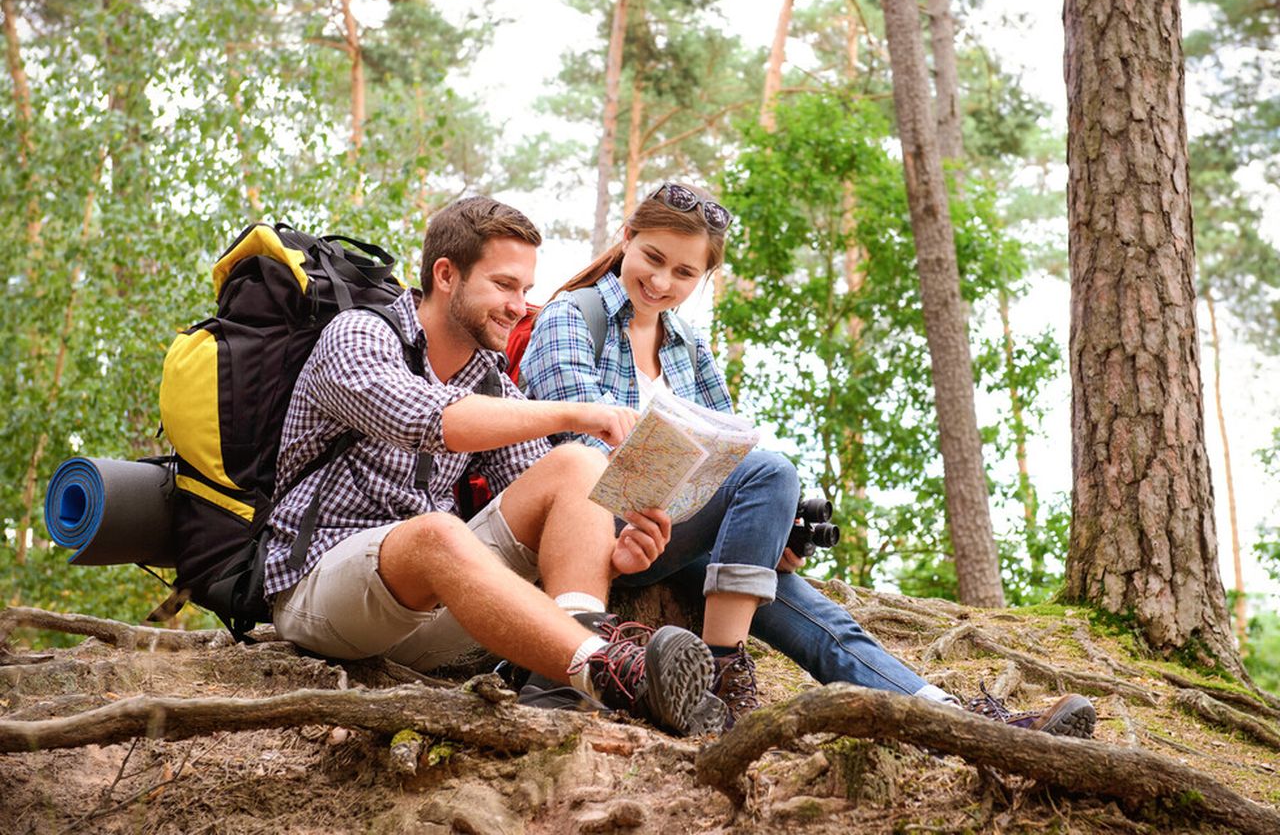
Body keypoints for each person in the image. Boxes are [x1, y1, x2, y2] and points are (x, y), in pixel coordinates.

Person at [521, 181, 1097, 738]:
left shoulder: (690, 347)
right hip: (599, 539)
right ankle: (723, 673)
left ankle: (951, 715)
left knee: (814, 609)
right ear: (627, 236)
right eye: (652, 257)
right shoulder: (572, 318)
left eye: (685, 272)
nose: (662, 280)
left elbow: (727, 450)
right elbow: (580, 457)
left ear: (705, 277)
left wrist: (771, 530)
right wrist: (745, 500)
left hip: (677, 535)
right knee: (772, 471)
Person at [263, 195, 725, 737]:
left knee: (577, 464)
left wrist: (614, 556)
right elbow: (426, 419)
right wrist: (575, 410)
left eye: (526, 290)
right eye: (505, 286)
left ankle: (562, 686)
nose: (519, 306)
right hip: (321, 597)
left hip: (432, 610)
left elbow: (553, 503)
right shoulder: (359, 336)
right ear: (446, 275)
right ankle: (610, 672)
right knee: (435, 533)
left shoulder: (487, 377)